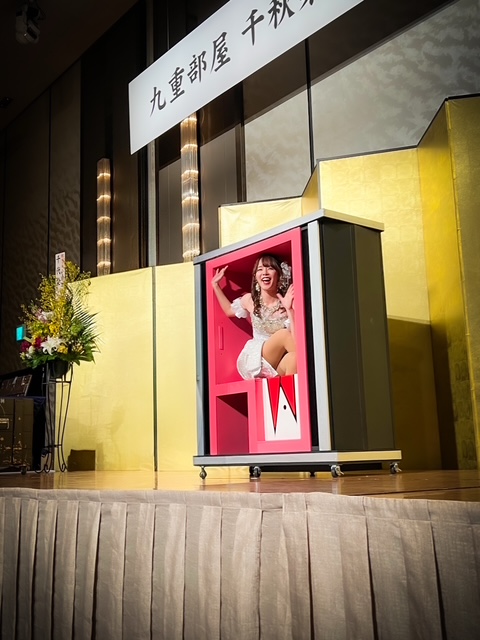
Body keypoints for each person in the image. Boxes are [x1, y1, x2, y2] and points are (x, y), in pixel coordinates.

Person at [211, 254, 297, 379]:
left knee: (294, 359)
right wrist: (215, 285)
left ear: (279, 275)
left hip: (278, 363)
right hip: (258, 360)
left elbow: (295, 338)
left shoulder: (287, 301)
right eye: (260, 269)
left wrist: (289, 309)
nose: (265, 272)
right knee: (283, 334)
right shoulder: (250, 300)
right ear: (256, 277)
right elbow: (229, 310)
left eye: (270, 268)